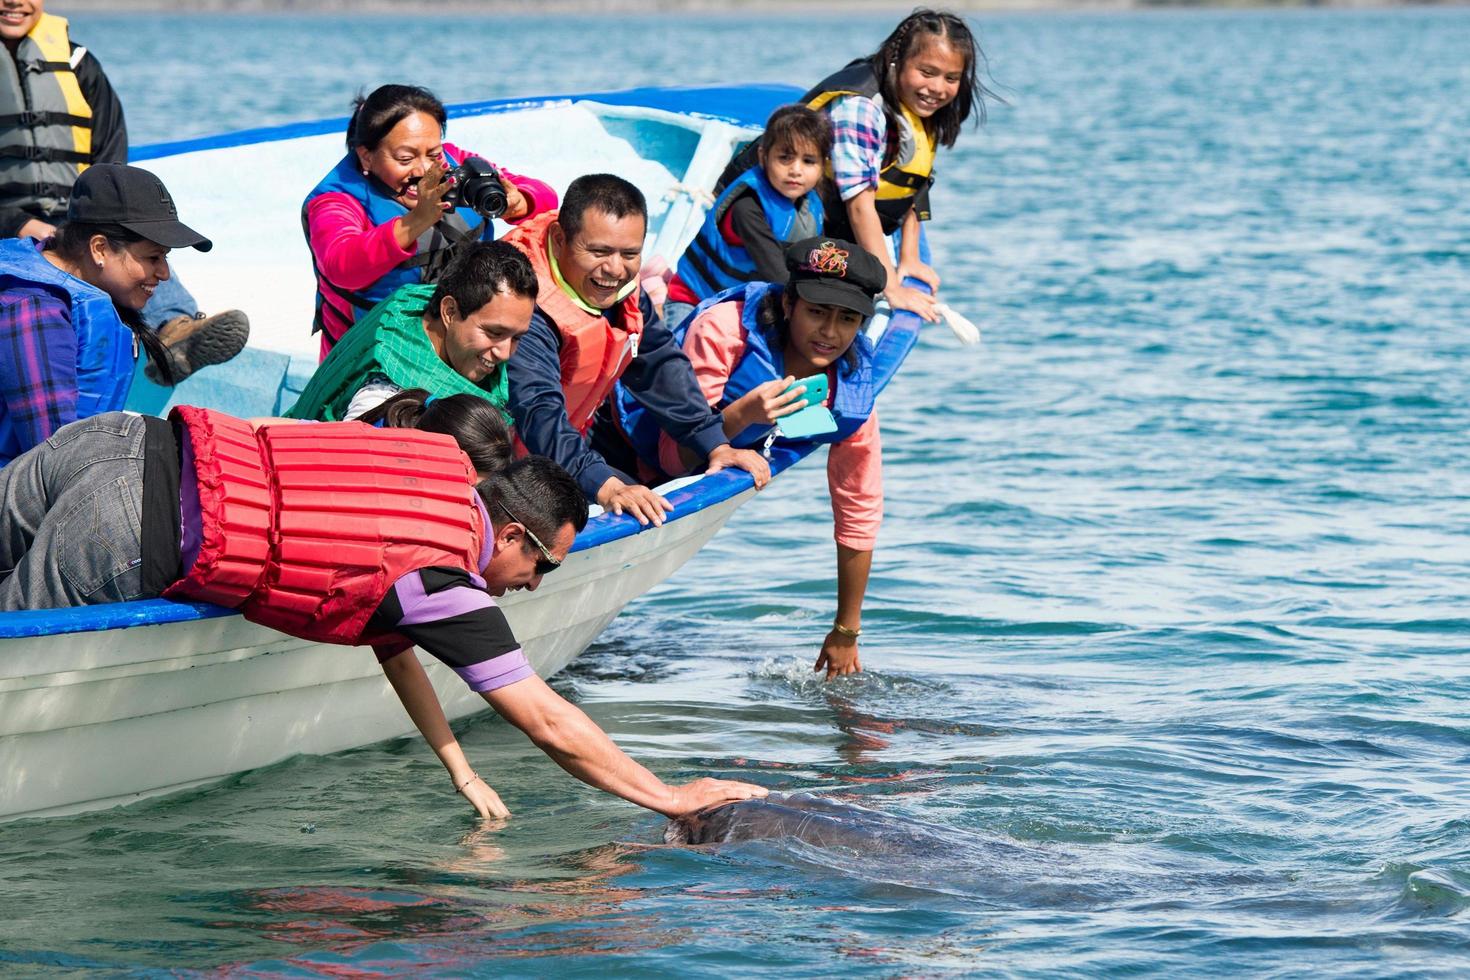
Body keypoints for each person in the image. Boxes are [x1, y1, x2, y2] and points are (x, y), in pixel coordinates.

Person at [0, 390, 768, 820]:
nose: (535, 587)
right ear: (510, 534)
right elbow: (547, 718)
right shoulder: (447, 583)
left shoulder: (430, 458)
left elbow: (388, 633)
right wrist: (670, 796)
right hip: (126, 525)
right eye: (542, 565)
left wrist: (459, 768)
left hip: (109, 440)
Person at [616, 238, 887, 681]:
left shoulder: (852, 384)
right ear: (787, 303)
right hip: (624, 433)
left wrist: (846, 630)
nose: (831, 333)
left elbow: (859, 506)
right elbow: (675, 458)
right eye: (817, 312)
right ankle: (657, 298)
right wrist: (745, 414)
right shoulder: (725, 332)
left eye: (848, 319)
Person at [502, 173, 770, 527]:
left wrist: (715, 444)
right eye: (598, 251)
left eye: (630, 254)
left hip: (560, 447)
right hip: (496, 459)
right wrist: (606, 487)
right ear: (559, 238)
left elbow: (659, 364)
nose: (614, 269)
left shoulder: (621, 287)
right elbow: (537, 409)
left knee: (653, 502)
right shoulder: (520, 299)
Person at [719, 9, 993, 323]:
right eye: (927, 72)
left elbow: (915, 179)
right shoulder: (861, 109)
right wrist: (891, 287)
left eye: (951, 78)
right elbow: (859, 206)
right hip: (766, 221)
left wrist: (910, 257)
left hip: (831, 225)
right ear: (897, 59)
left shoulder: (917, 102)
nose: (938, 88)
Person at [1, 0, 246, 337]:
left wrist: (104, 212)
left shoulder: (78, 65)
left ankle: (175, 328)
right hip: (9, 227)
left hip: (76, 218)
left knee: (138, 242)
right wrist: (17, 223)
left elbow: (110, 157)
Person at [0, 163, 248, 466]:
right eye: (153, 257)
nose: (165, 273)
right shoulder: (36, 312)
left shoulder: (84, 295)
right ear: (100, 249)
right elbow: (54, 460)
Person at [305, 84, 557, 358]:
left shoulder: (455, 162)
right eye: (405, 158)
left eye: (433, 154)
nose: (424, 169)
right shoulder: (336, 201)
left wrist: (518, 203)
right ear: (366, 156)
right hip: (376, 355)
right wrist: (416, 221)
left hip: (464, 341)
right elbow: (341, 265)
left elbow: (546, 198)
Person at [286, 241, 534, 423]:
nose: (505, 353)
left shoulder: (413, 302)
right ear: (448, 311)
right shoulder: (388, 395)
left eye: (517, 337)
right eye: (493, 332)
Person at [661, 105, 831, 329]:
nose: (796, 170)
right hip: (695, 301)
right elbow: (777, 273)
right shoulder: (747, 205)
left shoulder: (811, 202)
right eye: (785, 158)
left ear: (823, 165)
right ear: (763, 156)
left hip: (740, 305)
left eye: (809, 161)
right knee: (679, 362)